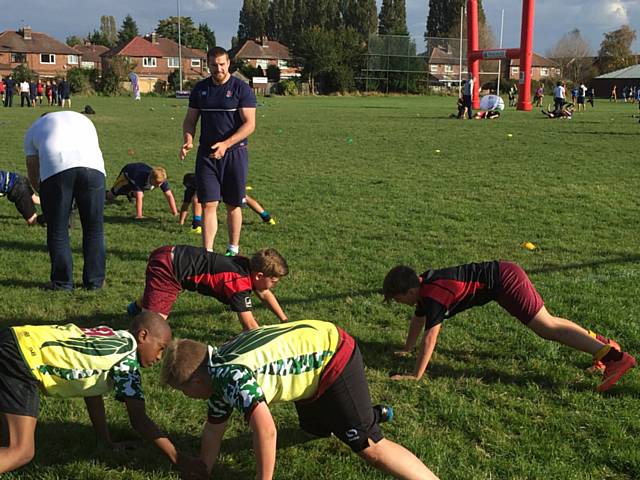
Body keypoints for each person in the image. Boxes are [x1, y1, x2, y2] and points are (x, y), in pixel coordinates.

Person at [160, 320, 440, 480]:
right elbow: (213, 428)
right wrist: (203, 469)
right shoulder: (215, 365)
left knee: (369, 448)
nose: (188, 397)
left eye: (184, 391)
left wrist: (263, 478)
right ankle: (367, 413)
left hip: (333, 358)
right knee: (316, 428)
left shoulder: (229, 376)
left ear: (196, 381)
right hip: (310, 372)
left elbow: (266, 429)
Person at [0, 312, 204, 476]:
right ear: (143, 336)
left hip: (13, 337)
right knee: (21, 451)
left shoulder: (110, 336)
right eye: (160, 348)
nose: (159, 357)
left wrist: (105, 441)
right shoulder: (126, 360)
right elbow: (139, 420)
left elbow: (91, 391)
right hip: (22, 358)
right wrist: (178, 458)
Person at [382, 262, 636, 392]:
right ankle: (603, 346)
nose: (399, 303)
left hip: (505, 280)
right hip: (502, 278)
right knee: (550, 322)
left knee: (547, 328)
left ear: (412, 290)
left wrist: (416, 376)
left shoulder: (434, 295)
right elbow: (418, 318)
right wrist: (406, 348)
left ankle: (615, 359)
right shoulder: (425, 286)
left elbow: (430, 337)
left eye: (398, 298)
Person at [179, 46, 257, 256]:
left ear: (229, 63)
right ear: (208, 65)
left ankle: (232, 249)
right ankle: (208, 253)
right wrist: (188, 139)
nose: (218, 69)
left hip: (234, 154)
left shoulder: (242, 89)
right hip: (207, 155)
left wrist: (226, 144)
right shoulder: (200, 89)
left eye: (222, 64)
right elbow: (190, 120)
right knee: (208, 204)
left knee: (233, 204)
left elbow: (250, 124)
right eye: (214, 65)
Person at [24, 111, 106, 291]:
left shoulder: (33, 129)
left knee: (58, 229)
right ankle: (96, 281)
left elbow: (32, 168)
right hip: (93, 168)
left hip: (57, 168)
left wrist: (42, 192)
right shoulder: (83, 119)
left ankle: (62, 283)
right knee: (94, 228)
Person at [127, 245, 288, 331]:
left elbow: (264, 292)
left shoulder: (244, 263)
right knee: (153, 327)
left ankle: (136, 308)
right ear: (259, 276)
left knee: (156, 298)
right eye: (273, 281)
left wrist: (284, 320)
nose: (275, 285)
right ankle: (122, 344)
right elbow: (250, 326)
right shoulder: (239, 284)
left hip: (171, 253)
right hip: (169, 269)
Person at [180, 173, 276, 233]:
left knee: (196, 198)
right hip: (226, 180)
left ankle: (197, 226)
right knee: (245, 198)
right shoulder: (204, 176)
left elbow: (185, 206)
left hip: (214, 188)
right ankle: (267, 218)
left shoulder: (193, 186)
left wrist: (181, 222)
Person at [106, 163, 178, 219]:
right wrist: (139, 215)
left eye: (160, 183)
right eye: (157, 183)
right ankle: (100, 193)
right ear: (151, 178)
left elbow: (169, 195)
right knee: (110, 197)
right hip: (127, 174)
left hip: (136, 179)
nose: (159, 185)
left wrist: (175, 212)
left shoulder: (161, 179)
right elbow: (139, 196)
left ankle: (130, 194)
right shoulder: (141, 177)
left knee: (137, 192)